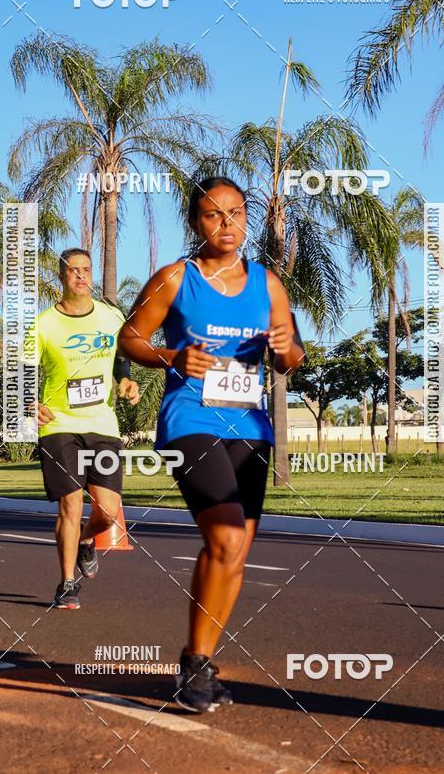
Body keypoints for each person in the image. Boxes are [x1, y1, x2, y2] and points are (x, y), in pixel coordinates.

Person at [118, 177, 304, 712]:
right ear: (196, 223)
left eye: (236, 213)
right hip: (190, 420)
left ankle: (197, 660)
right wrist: (171, 357)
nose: (226, 224)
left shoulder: (268, 285)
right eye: (212, 214)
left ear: (247, 219)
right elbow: (130, 336)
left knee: (235, 551)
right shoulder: (178, 277)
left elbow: (290, 358)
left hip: (249, 428)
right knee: (224, 538)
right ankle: (196, 665)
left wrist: (287, 346)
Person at [34, 248, 140, 609]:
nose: (80, 276)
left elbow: (122, 356)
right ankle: (67, 583)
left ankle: (83, 541)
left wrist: (125, 380)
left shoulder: (111, 316)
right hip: (60, 425)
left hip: (102, 424)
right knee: (70, 503)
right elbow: (19, 372)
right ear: (61, 276)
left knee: (108, 511)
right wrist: (31, 404)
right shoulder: (44, 323)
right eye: (72, 270)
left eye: (86, 269)